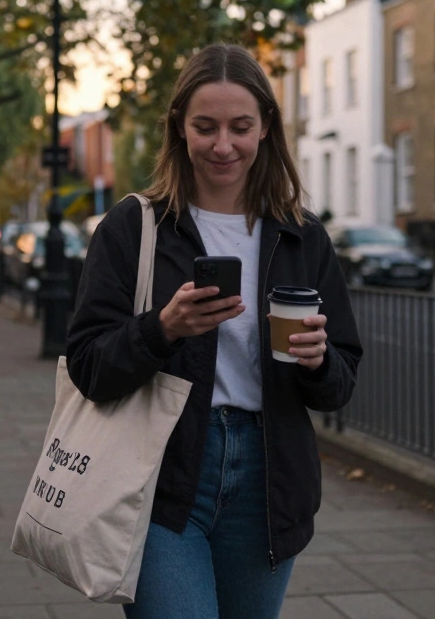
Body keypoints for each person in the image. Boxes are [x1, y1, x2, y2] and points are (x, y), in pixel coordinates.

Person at [66, 44, 362, 618]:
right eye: (205, 127)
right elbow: (87, 365)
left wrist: (319, 361)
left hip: (268, 481)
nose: (222, 145)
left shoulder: (302, 236)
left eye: (240, 127)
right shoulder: (135, 226)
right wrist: (162, 329)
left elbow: (341, 382)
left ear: (266, 129)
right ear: (179, 127)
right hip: (160, 476)